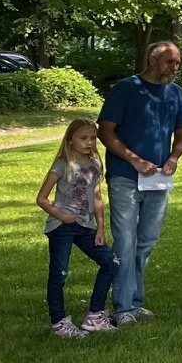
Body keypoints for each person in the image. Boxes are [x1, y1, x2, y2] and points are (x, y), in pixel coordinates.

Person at [98, 42, 182, 326]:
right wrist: (134, 159)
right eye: (168, 62)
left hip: (158, 180)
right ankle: (122, 307)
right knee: (125, 241)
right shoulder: (127, 88)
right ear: (152, 61)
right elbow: (105, 131)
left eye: (177, 63)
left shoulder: (175, 93)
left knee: (147, 240)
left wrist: (174, 157)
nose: (174, 68)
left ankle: (135, 301)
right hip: (125, 177)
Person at [35, 118, 118, 337]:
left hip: (86, 226)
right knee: (59, 274)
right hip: (61, 226)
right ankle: (59, 322)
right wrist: (60, 214)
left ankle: (95, 315)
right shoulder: (62, 165)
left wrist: (100, 227)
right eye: (83, 138)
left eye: (92, 138)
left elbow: (98, 197)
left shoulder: (95, 165)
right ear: (70, 140)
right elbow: (42, 198)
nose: (89, 142)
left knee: (110, 262)